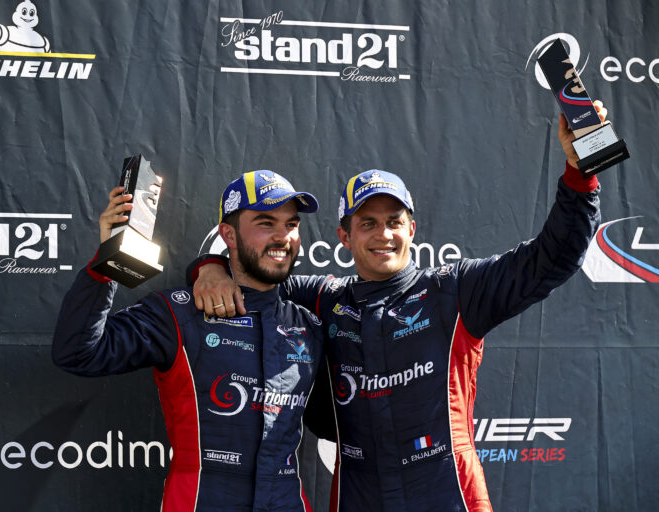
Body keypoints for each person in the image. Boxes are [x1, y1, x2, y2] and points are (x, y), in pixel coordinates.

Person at [190, 106, 607, 511]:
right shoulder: (325, 299)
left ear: (412, 228)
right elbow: (257, 273)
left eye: (393, 220)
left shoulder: (455, 290)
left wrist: (580, 175)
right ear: (344, 236)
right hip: (358, 493)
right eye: (367, 223)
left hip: (448, 491)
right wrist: (209, 268)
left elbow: (550, 259)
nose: (383, 234)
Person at [52, 170, 325, 512]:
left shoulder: (309, 323)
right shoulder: (179, 313)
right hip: (201, 500)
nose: (283, 236)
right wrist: (108, 262)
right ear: (229, 234)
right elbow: (79, 353)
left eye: (291, 224)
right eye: (266, 223)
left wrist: (207, 267)